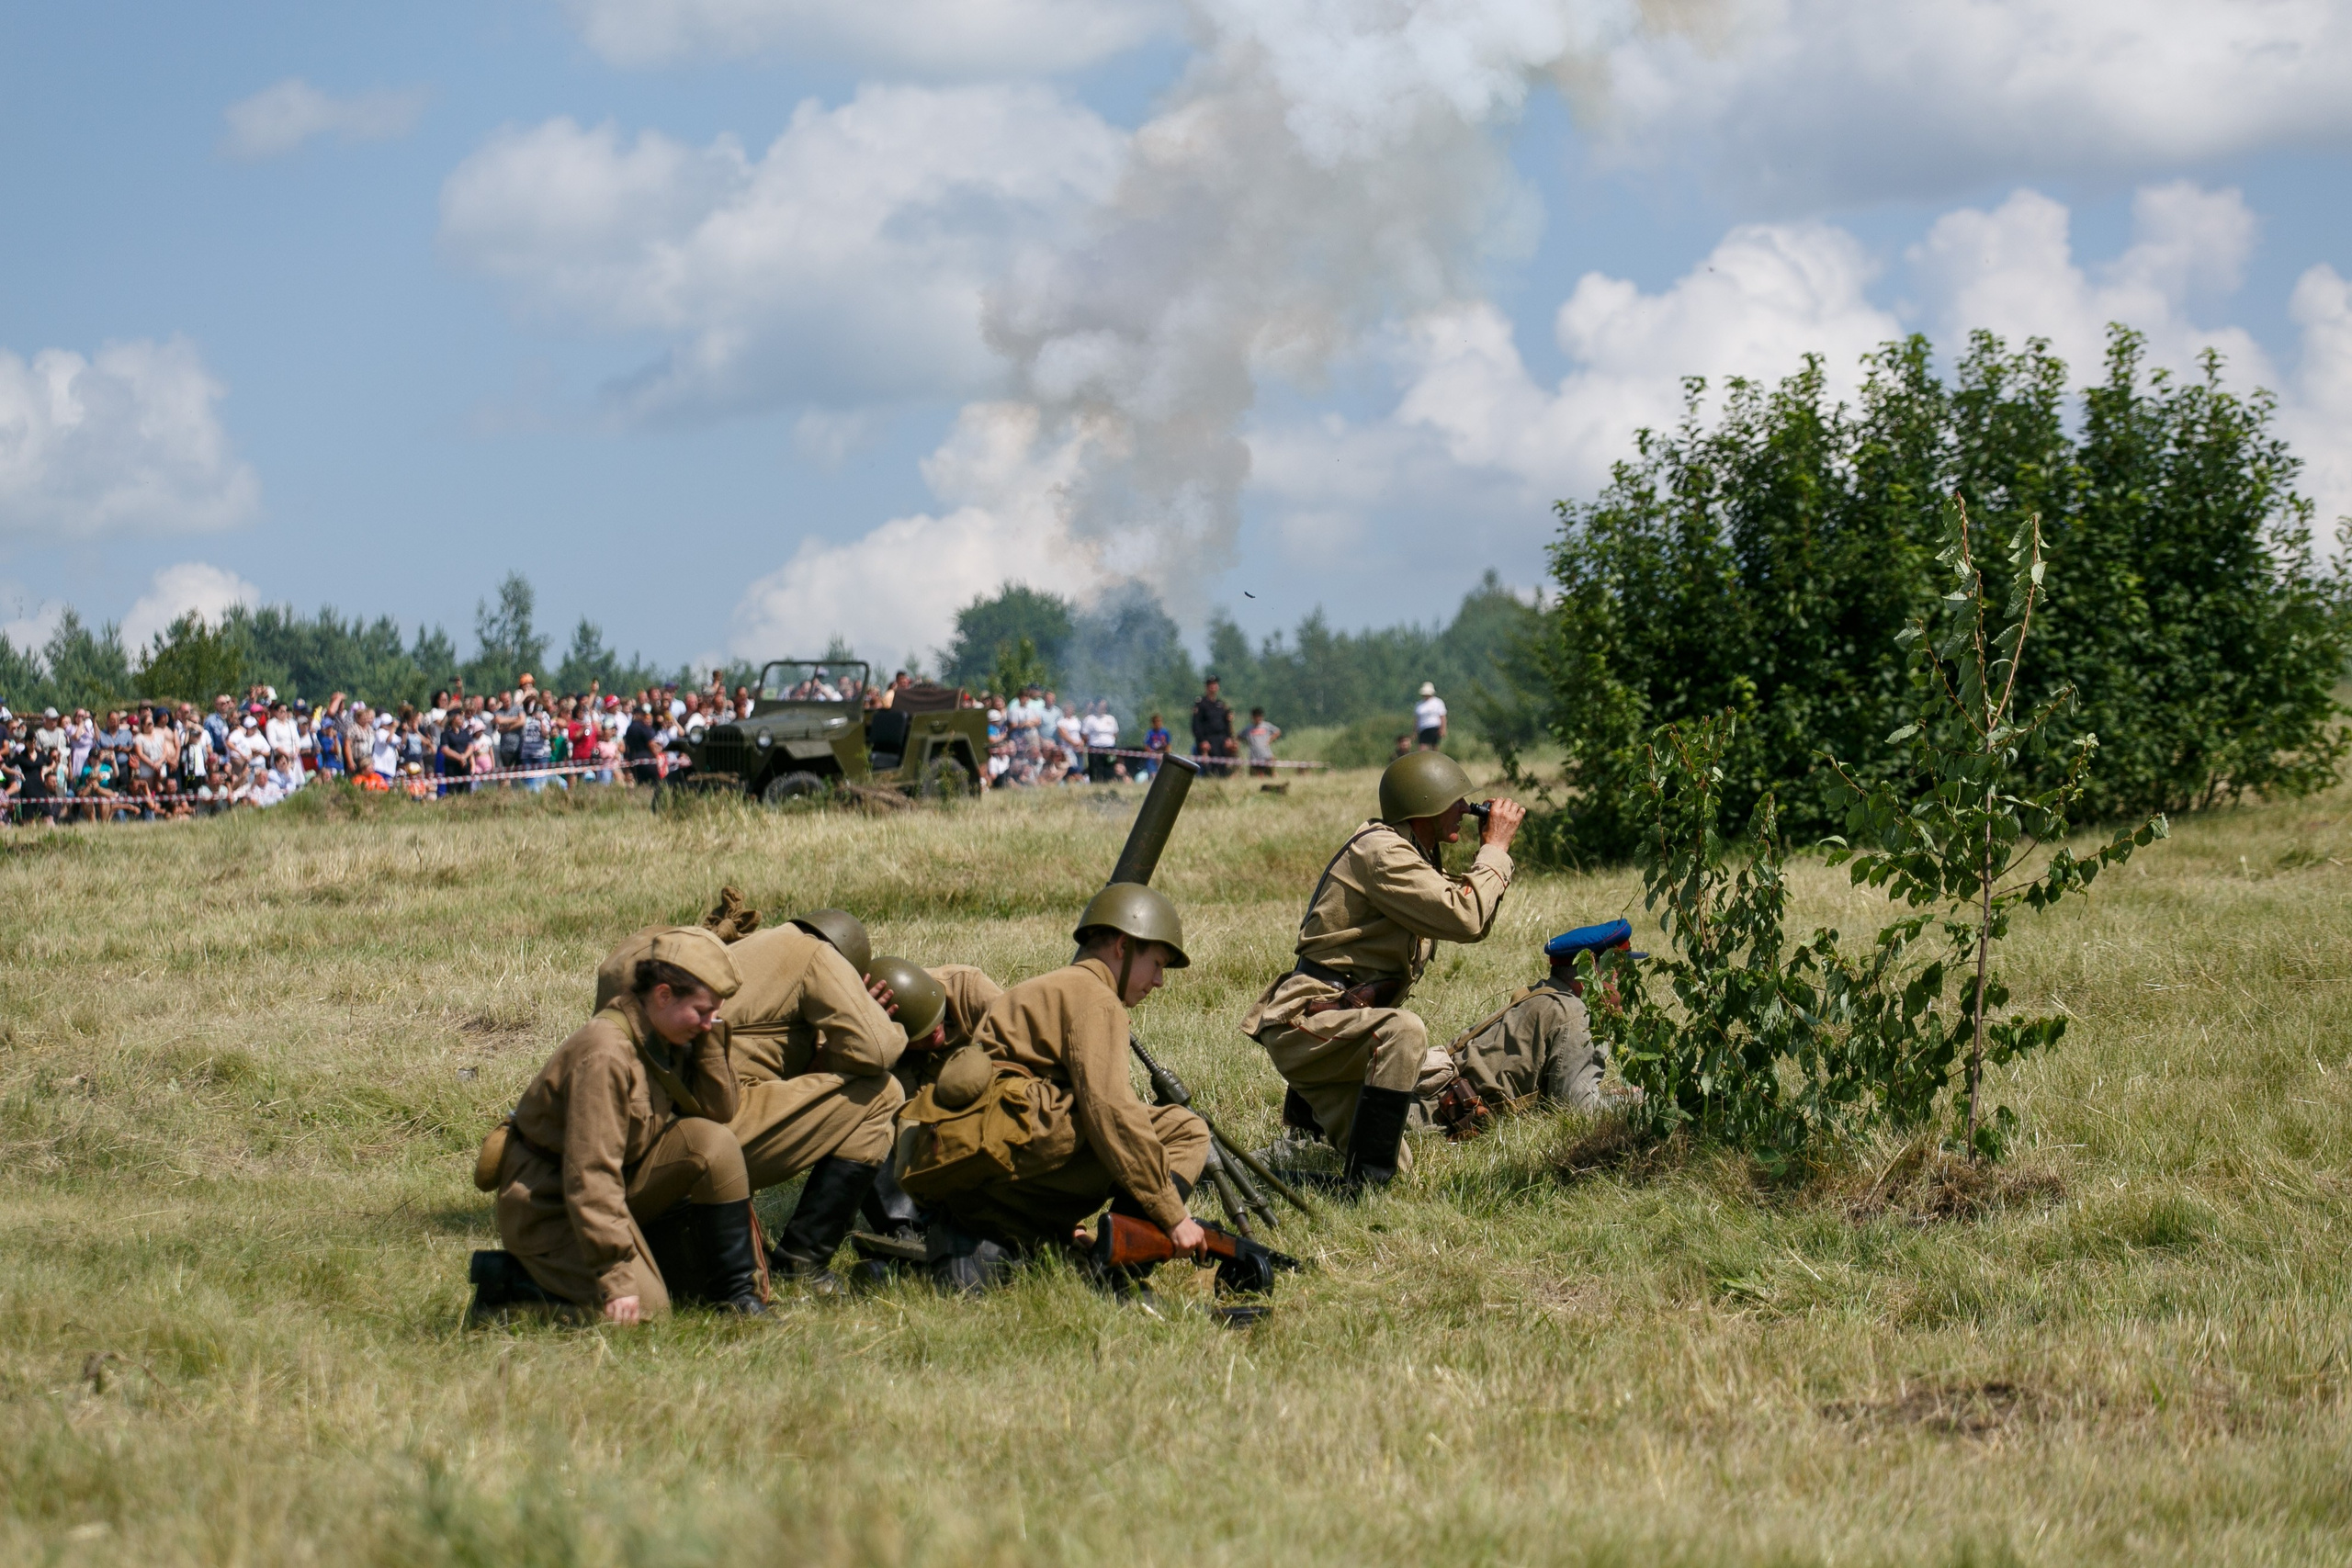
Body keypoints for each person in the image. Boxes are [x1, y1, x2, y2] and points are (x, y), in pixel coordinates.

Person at [906, 885, 1210, 1298]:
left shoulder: (1033, 989)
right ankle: (1117, 1270)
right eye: (1157, 963)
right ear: (1123, 946)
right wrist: (1174, 1217)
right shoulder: (1097, 999)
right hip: (1013, 1156)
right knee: (1183, 1129)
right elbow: (1111, 1111)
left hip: (971, 1180)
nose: (1159, 981)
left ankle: (1045, 1240)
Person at [1240, 750, 1524, 1190]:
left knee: (1401, 1170)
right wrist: (1495, 849)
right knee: (1404, 1032)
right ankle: (1364, 1187)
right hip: (1311, 1022)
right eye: (1457, 802)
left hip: (1340, 1026)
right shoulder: (1383, 853)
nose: (1468, 811)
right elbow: (1465, 916)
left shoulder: (1414, 853)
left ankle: (1262, 1166)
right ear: (1425, 804)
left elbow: (1471, 921)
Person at [597, 907, 907, 1293]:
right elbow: (875, 1051)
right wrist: (881, 1018)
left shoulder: (743, 951)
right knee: (881, 1093)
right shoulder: (814, 953)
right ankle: (803, 1262)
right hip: (707, 1130)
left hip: (641, 1132)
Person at [472, 926, 764, 1323]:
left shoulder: (665, 1034)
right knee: (648, 1314)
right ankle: (509, 1287)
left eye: (716, 1012)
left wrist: (708, 1035)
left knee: (713, 1143)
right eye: (702, 1011)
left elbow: (719, 1111)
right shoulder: (606, 1053)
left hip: (615, 1186)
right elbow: (590, 1174)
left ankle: (737, 1298)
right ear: (662, 995)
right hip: (551, 1203)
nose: (710, 1021)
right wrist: (615, 1277)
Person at [1414, 921, 1647, 1138]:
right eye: (1623, 974)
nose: (1628, 987)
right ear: (1593, 973)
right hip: (1431, 1122)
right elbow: (1579, 1111)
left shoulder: (1542, 995)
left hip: (1427, 1101)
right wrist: (1639, 1103)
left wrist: (1613, 1096)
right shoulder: (1576, 1015)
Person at [1191, 675, 1236, 774]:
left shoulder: (1221, 704)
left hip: (1221, 740)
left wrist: (1229, 738)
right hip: (1208, 740)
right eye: (1211, 685)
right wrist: (1202, 741)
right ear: (1207, 687)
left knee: (1222, 769)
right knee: (1210, 770)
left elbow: (1227, 723)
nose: (1213, 687)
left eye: (1215, 684)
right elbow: (1196, 724)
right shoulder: (1201, 704)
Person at [1241, 706, 1282, 778]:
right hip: (1254, 755)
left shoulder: (1266, 726)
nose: (1258, 718)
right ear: (1252, 717)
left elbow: (1277, 731)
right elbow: (1239, 736)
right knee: (1254, 776)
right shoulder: (1248, 728)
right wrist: (1247, 742)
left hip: (1266, 754)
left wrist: (1270, 740)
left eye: (1260, 716)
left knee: (1270, 773)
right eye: (1256, 716)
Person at [1414, 681, 1447, 750]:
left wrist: (1443, 728)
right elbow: (1417, 719)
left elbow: (1442, 716)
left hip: (1434, 727)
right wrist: (1415, 731)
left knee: (1434, 746)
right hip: (1423, 728)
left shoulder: (1438, 702)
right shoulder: (1419, 704)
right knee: (1422, 747)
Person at [1142, 713, 1170, 778]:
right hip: (1152, 757)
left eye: (1159, 721)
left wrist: (1166, 754)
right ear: (1153, 723)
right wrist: (1153, 754)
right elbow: (1146, 746)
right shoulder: (1149, 733)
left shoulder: (1165, 732)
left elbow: (1168, 745)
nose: (1158, 723)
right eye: (1156, 721)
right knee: (1153, 775)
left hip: (1162, 756)